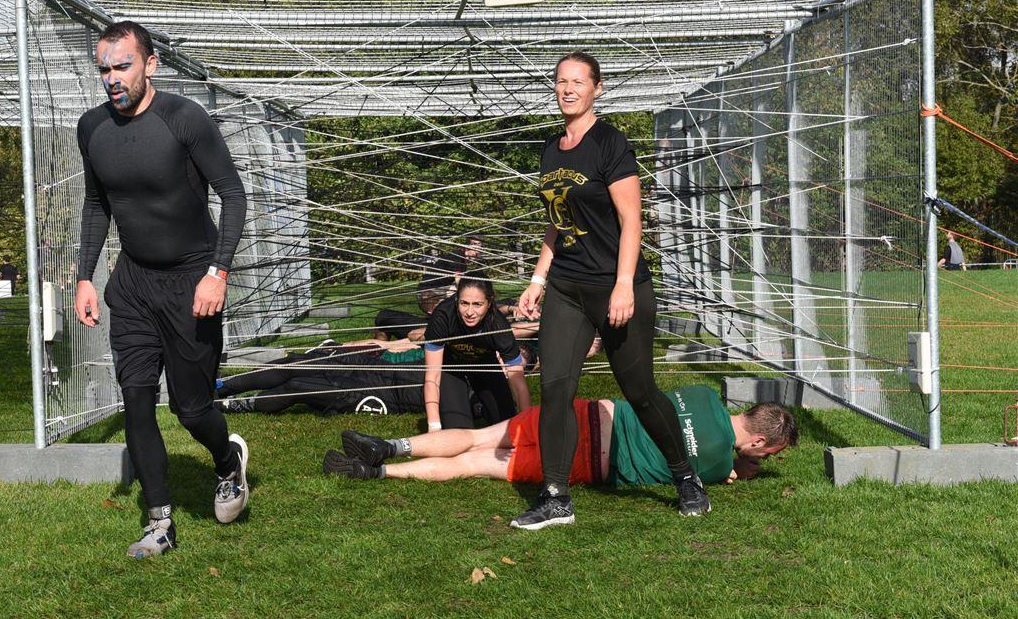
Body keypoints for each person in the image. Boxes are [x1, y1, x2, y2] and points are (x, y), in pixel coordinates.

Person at [72, 20, 250, 558]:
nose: (112, 78)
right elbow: (97, 205)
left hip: (192, 281)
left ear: (150, 65)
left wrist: (217, 273)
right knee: (136, 399)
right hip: (132, 285)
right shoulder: (91, 128)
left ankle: (227, 463)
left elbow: (233, 195)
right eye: (104, 68)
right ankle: (159, 522)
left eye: (122, 66)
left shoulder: (184, 119)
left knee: (191, 410)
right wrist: (84, 277)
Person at [513, 51, 709, 527]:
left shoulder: (610, 143)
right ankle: (555, 497)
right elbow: (558, 220)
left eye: (578, 81)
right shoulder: (551, 148)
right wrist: (538, 280)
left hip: (618, 287)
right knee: (555, 388)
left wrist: (623, 286)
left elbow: (632, 219)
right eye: (561, 81)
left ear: (596, 88)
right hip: (567, 288)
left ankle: (685, 475)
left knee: (639, 391)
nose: (567, 89)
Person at [324, 385, 798, 528]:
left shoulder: (704, 394)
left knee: (477, 436)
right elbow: (716, 468)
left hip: (584, 413)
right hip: (588, 460)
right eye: (768, 455)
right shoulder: (716, 465)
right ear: (758, 443)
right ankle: (377, 472)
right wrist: (739, 470)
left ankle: (390, 446)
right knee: (475, 464)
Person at [218, 339, 428, 416]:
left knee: (300, 386)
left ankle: (230, 404)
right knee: (300, 362)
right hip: (383, 369)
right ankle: (220, 387)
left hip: (389, 397)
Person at [424, 277, 529, 430]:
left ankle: (481, 407)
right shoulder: (443, 316)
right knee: (459, 432)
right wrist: (433, 425)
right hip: (451, 367)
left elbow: (518, 383)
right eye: (464, 303)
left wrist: (527, 424)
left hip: (484, 364)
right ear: (456, 300)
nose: (469, 312)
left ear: (489, 303)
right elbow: (432, 376)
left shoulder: (499, 326)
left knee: (507, 424)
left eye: (477, 304)